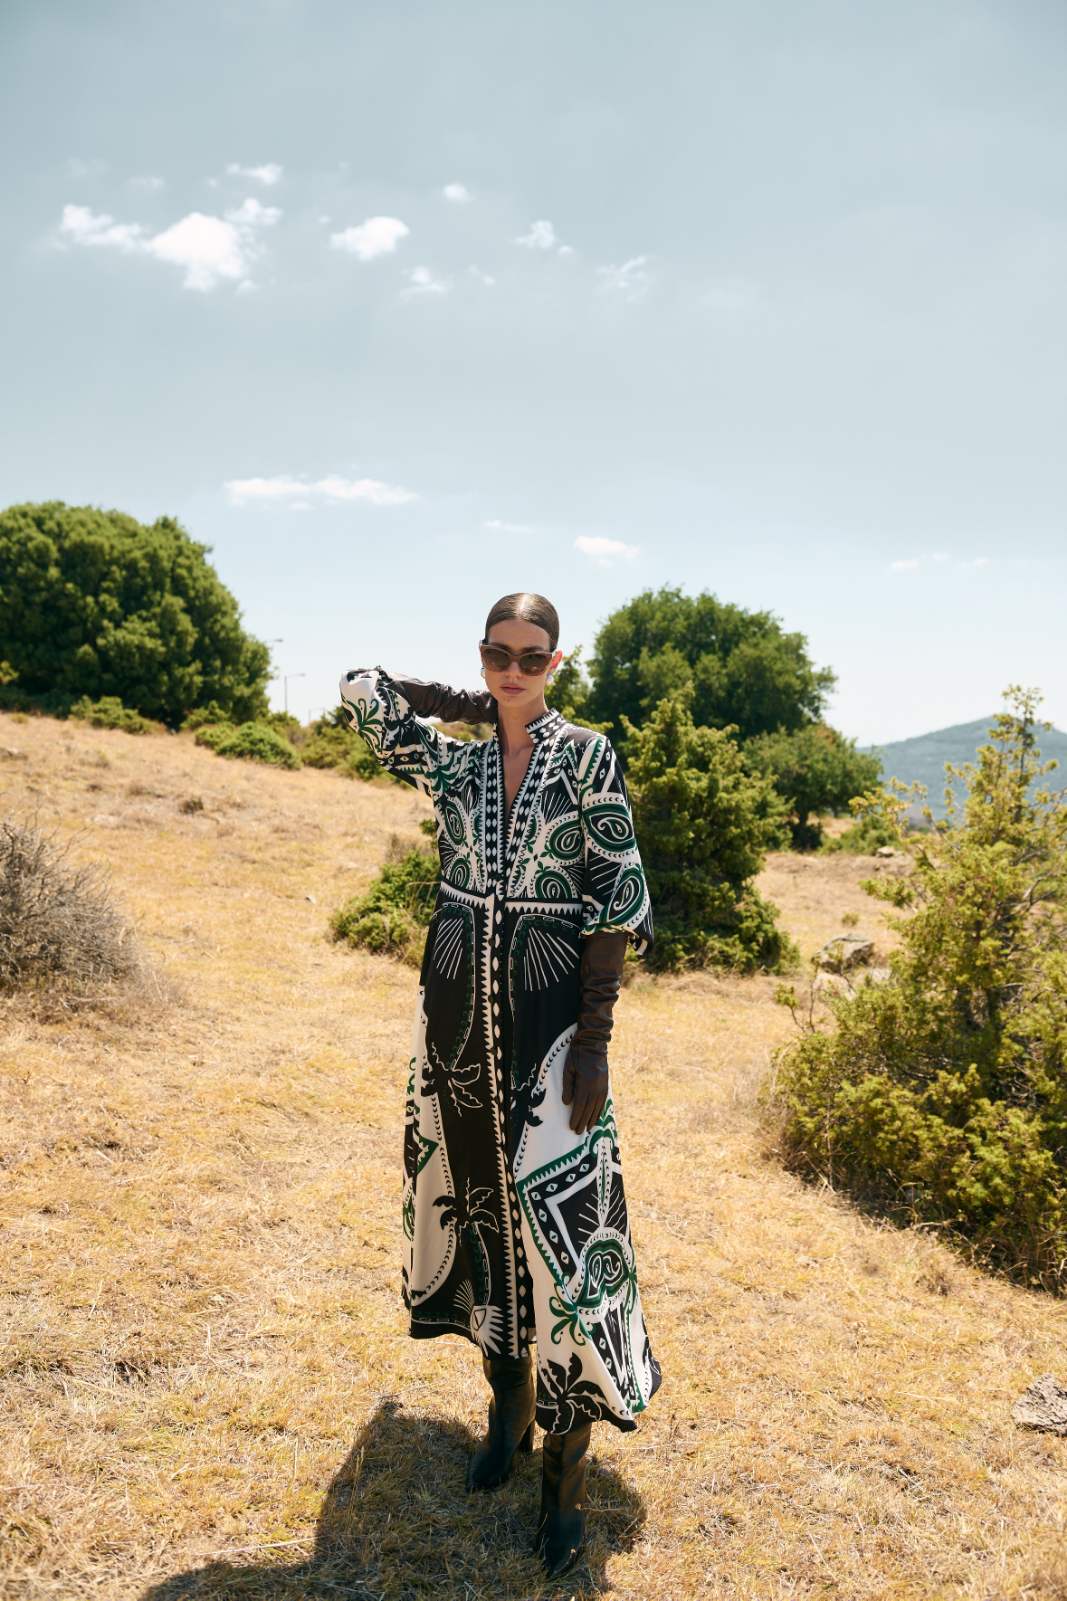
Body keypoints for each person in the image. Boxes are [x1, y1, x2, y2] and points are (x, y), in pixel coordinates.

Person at [338, 591, 661, 1577]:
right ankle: (504, 1411)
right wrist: (479, 708)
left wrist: (595, 1045)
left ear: (556, 662)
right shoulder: (461, 757)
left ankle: (564, 1482)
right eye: (495, 654)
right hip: (455, 1037)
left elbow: (612, 898)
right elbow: (360, 690)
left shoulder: (588, 756)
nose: (512, 668)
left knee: (560, 1252)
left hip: (549, 1040)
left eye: (529, 658)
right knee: (481, 1221)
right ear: (479, 657)